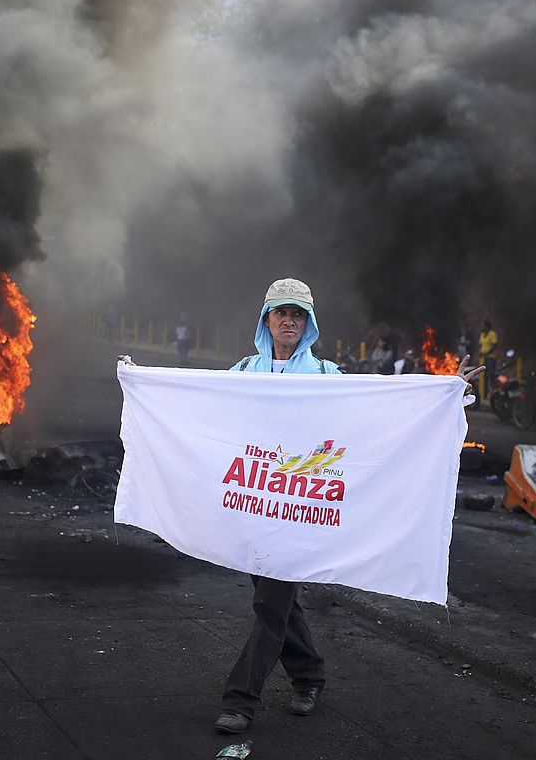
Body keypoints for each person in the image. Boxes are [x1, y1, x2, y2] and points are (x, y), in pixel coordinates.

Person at [215, 278, 482, 734]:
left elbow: (378, 411)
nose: (288, 321)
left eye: (297, 314)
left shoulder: (326, 377)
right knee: (277, 602)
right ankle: (309, 676)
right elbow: (203, 412)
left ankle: (240, 702)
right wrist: (144, 383)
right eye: (281, 312)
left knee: (271, 603)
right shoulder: (242, 371)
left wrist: (446, 394)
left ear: (309, 323)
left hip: (299, 510)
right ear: (266, 319)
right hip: (254, 507)